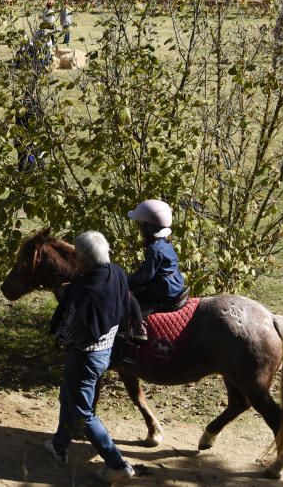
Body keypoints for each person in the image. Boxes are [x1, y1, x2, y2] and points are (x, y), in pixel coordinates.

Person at [44, 231, 135, 484]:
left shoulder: (84, 290)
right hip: (105, 352)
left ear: (82, 260)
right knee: (68, 396)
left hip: (84, 357)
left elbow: (72, 331)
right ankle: (59, 446)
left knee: (84, 413)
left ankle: (117, 464)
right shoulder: (117, 272)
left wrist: (59, 335)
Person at [126, 199, 186, 340]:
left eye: (140, 226)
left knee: (128, 297)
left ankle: (139, 329)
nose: (139, 229)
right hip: (174, 283)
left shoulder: (154, 249)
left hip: (165, 289)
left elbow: (145, 277)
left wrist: (125, 280)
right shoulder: (164, 242)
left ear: (148, 228)